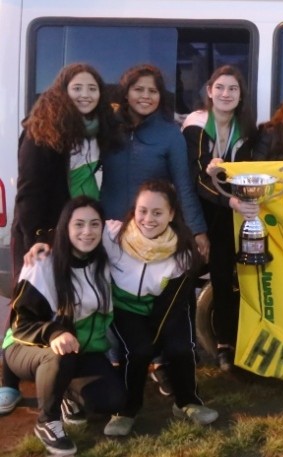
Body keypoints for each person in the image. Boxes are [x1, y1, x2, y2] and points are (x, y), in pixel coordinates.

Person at [3, 62, 119, 415]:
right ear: (62, 91)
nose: (85, 95)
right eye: (77, 88)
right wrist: (41, 238)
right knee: (31, 304)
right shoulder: (43, 130)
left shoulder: (99, 130)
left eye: (92, 88)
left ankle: (65, 376)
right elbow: (28, 193)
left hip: (79, 229)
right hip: (41, 233)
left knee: (67, 304)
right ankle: (8, 378)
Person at [4, 197, 125, 455]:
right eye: (78, 224)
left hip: (78, 349)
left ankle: (66, 395)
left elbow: (142, 225)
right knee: (60, 356)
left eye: (95, 224)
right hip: (25, 347)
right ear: (65, 228)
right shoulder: (42, 263)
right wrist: (53, 332)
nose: (87, 231)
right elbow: (19, 325)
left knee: (112, 400)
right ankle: (47, 421)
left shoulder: (102, 258)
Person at [103, 180, 217, 437]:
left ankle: (187, 402)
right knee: (138, 351)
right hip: (124, 309)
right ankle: (125, 410)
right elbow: (76, 237)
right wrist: (42, 246)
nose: (148, 219)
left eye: (157, 212)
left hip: (162, 307)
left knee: (180, 347)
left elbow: (172, 304)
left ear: (171, 214)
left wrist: (161, 335)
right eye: (142, 210)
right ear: (134, 210)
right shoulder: (111, 234)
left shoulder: (183, 252)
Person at [182, 65, 259, 372]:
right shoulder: (196, 124)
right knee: (184, 277)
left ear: (240, 96)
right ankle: (182, 346)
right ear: (209, 90)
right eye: (221, 87)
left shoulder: (246, 129)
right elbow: (196, 179)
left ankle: (225, 345)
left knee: (224, 277)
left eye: (234, 89)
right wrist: (230, 200)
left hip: (230, 212)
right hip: (199, 211)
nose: (226, 94)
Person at [101, 64, 209, 259]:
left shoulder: (170, 134)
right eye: (138, 89)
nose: (146, 96)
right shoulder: (107, 127)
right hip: (108, 229)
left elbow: (183, 185)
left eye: (153, 91)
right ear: (126, 93)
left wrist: (197, 230)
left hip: (150, 233)